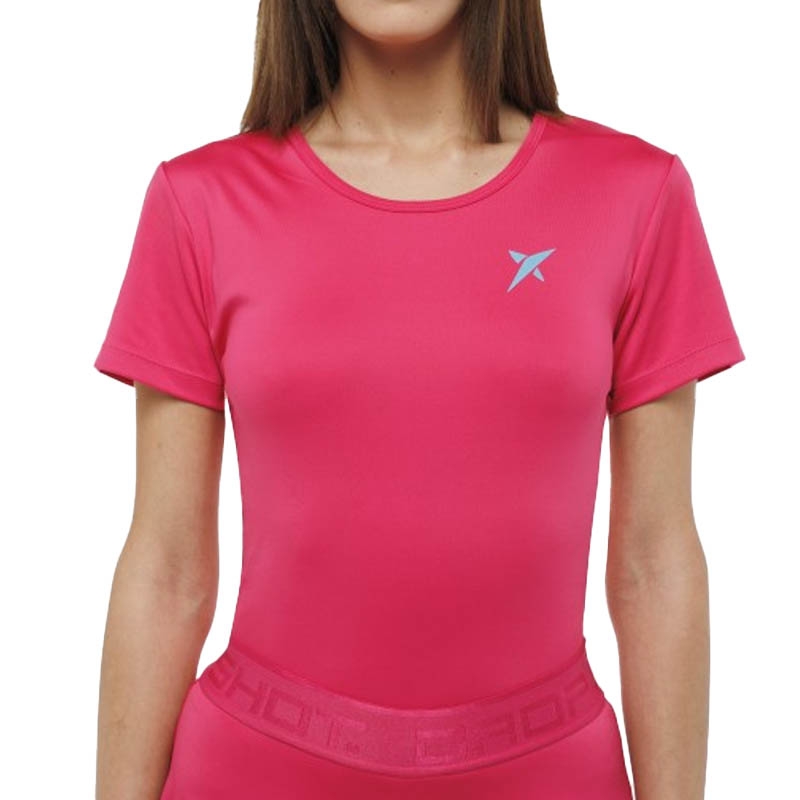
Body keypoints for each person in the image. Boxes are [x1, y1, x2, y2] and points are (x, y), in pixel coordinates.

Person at [93, 2, 746, 799]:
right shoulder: (201, 201)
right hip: (251, 769)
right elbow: (166, 569)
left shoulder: (635, 195)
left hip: (548, 775)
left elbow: (654, 562)